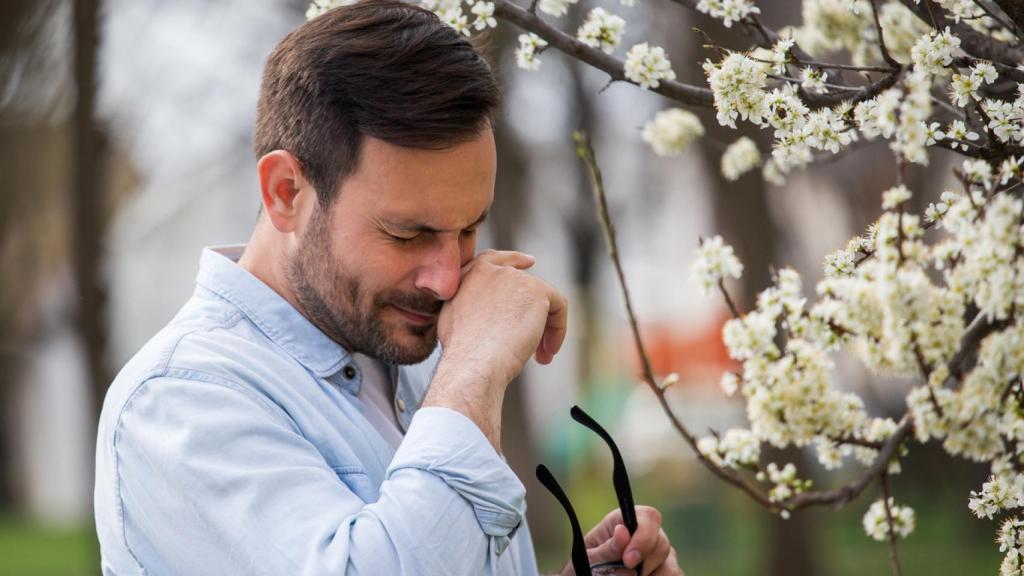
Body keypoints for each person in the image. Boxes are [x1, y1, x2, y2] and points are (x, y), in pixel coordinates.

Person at [93, 1, 683, 574]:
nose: (447, 277)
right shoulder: (180, 400)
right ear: (285, 193)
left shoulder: (414, 360)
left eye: (469, 228)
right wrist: (473, 370)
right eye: (407, 233)